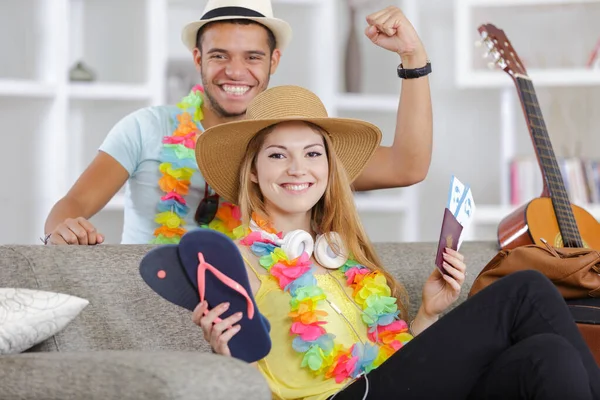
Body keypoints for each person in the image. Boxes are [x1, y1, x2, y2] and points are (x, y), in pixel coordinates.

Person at [191, 85, 600, 400]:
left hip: (384, 388)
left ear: (329, 168)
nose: (299, 168)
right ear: (253, 172)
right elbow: (244, 376)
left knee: (549, 355)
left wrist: (427, 312)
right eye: (278, 156)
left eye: (313, 153)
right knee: (524, 290)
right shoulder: (235, 260)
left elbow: (396, 365)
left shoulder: (339, 255)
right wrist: (223, 354)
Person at [43, 0, 433, 246]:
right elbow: (72, 205)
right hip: (151, 303)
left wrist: (413, 58)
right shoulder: (144, 128)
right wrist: (63, 229)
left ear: (274, 62)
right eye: (219, 56)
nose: (235, 71)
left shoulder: (291, 147)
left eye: (252, 57)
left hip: (248, 312)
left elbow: (407, 166)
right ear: (197, 59)